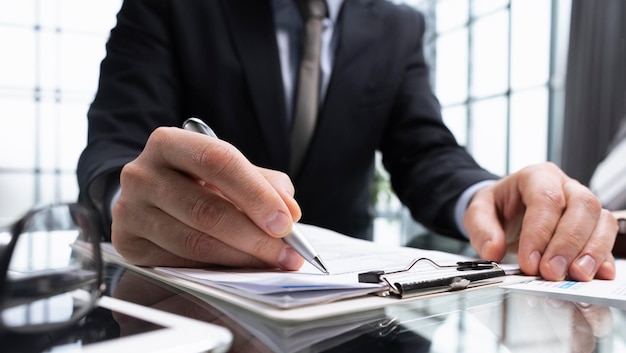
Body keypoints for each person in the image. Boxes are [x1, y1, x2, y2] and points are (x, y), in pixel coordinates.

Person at [77, 0, 618, 282]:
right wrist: (131, 200)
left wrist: (483, 196)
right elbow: (115, 146)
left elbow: (424, 151)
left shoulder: (398, 27)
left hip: (354, 330)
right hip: (194, 313)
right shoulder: (172, 7)